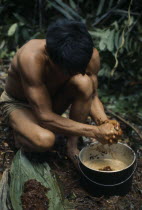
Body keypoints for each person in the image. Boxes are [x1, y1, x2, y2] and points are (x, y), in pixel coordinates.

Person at [0, 19, 122, 168]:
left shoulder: (88, 55)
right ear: (50, 55)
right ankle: (21, 135)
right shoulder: (31, 58)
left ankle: (71, 147)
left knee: (84, 83)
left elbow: (92, 95)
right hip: (19, 104)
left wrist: (105, 123)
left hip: (50, 102)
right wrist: (95, 131)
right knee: (45, 140)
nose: (76, 73)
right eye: (70, 71)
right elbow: (45, 117)